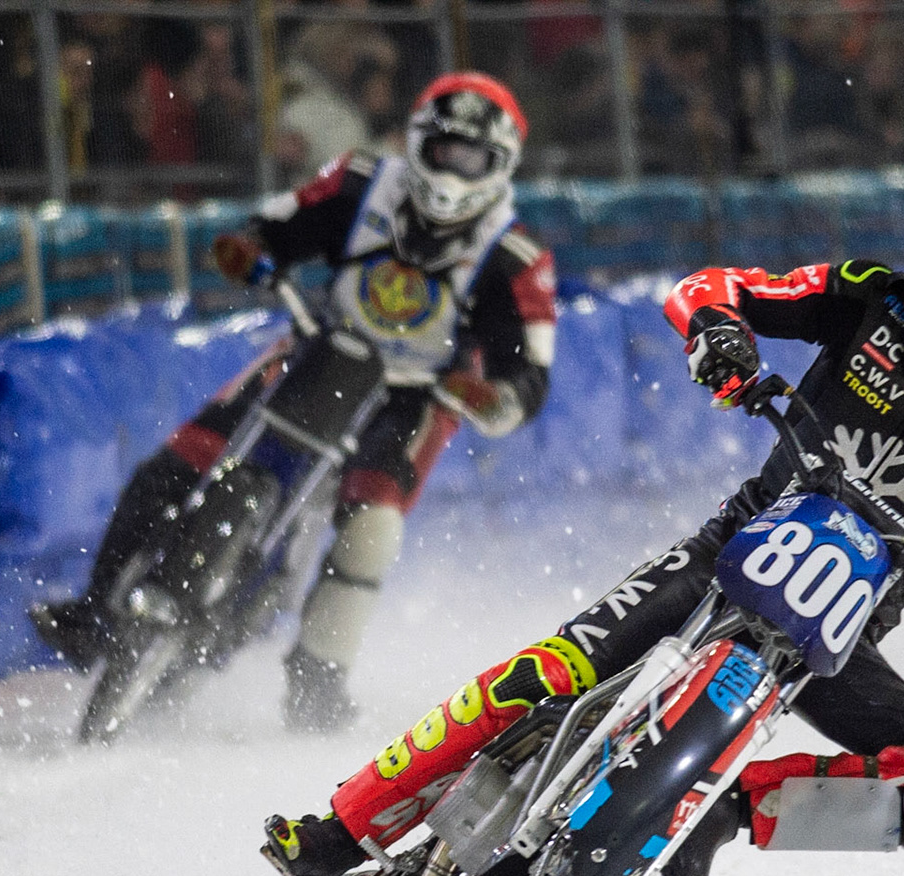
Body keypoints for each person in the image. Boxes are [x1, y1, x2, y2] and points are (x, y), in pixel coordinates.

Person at [261, 149, 904, 876]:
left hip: (839, 641)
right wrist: (720, 333)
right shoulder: (868, 293)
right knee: (548, 670)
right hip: (726, 554)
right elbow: (704, 288)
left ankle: (727, 814)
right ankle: (340, 832)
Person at [35, 71, 558, 733]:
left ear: (501, 165)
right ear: (419, 140)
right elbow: (280, 223)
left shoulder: (516, 255)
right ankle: (93, 616)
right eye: (445, 148)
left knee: (373, 526)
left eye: (472, 157)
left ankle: (318, 681)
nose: (453, 169)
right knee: (176, 459)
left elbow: (529, 371)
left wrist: (496, 396)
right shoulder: (361, 179)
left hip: (418, 396)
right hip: (320, 349)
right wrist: (252, 249)